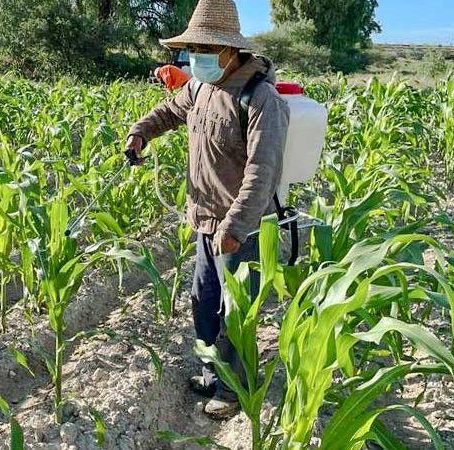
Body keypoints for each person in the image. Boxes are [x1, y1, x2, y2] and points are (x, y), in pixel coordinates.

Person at [125, 0, 289, 420]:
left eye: (203, 49)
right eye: (192, 49)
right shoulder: (200, 87)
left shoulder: (260, 98)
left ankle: (234, 389)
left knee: (236, 309)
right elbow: (168, 111)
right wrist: (141, 133)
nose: (194, 57)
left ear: (230, 51)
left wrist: (235, 225)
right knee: (204, 298)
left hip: (241, 226)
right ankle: (212, 370)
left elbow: (263, 170)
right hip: (203, 217)